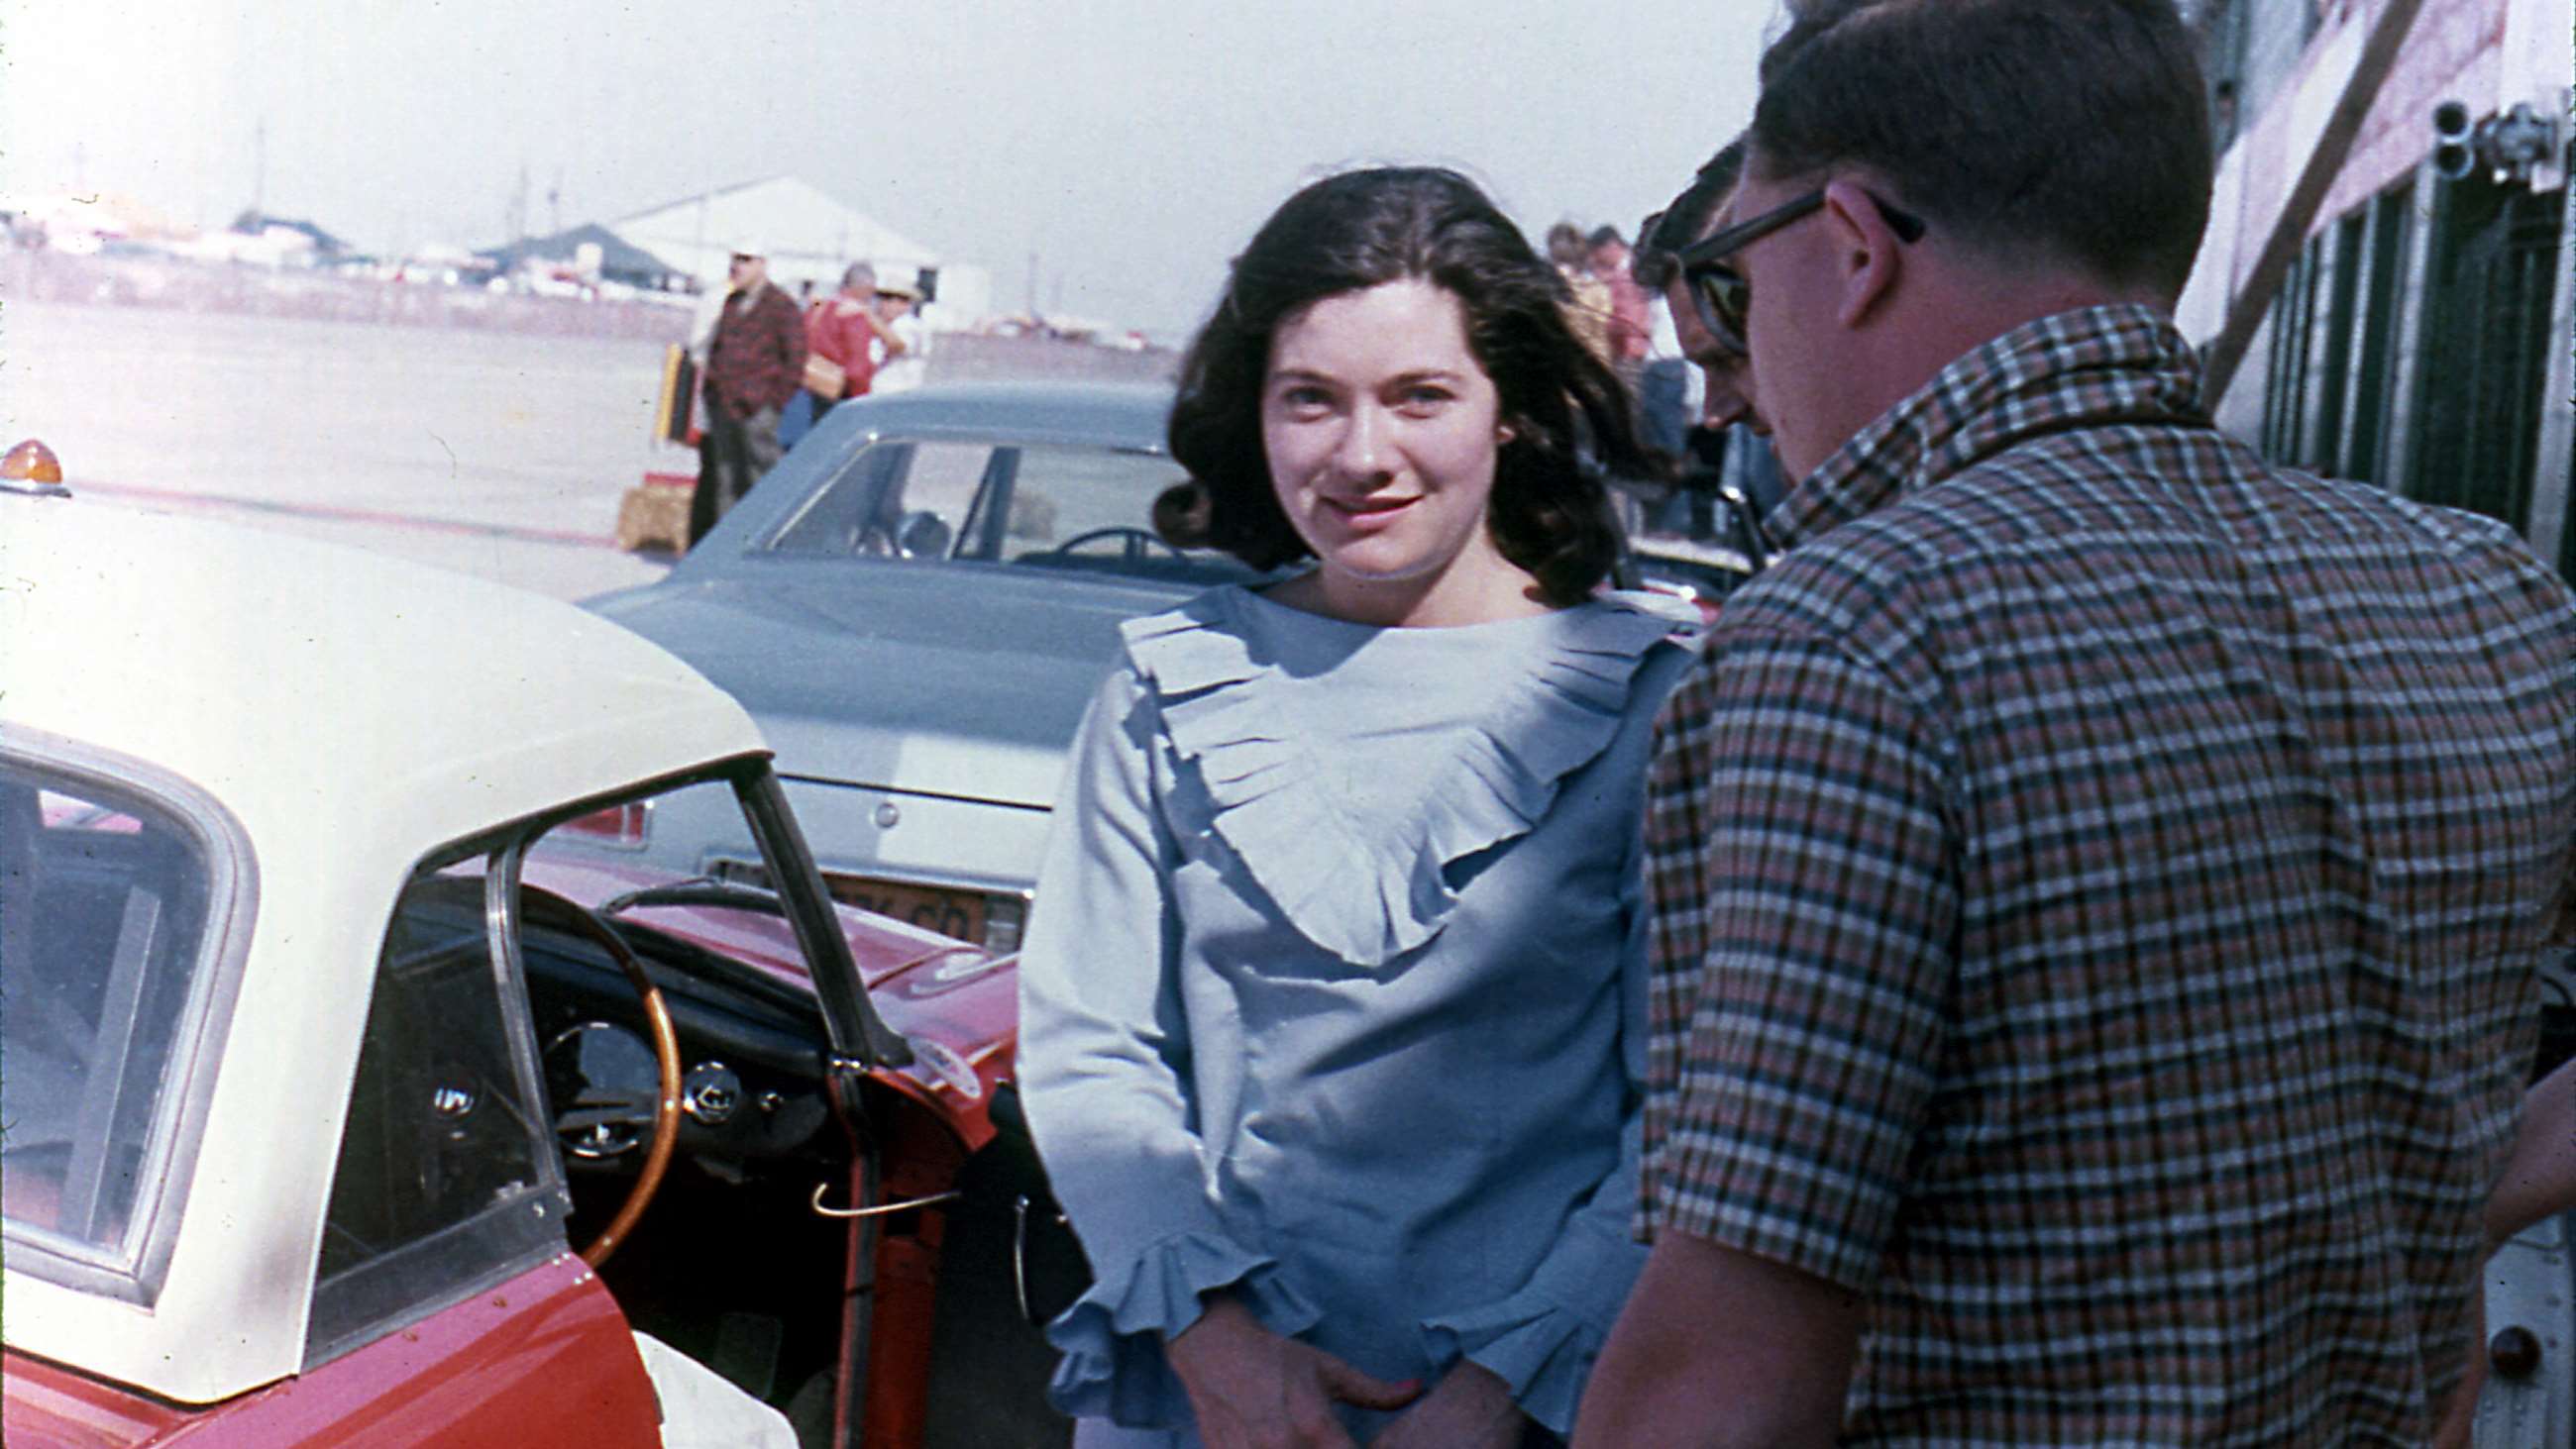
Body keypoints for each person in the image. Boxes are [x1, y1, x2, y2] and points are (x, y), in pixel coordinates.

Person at [1576, 0, 2576, 1443]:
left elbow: (1732, 1366)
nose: (1734, 375)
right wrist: (2452, 1191)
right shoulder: (2489, 593)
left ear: (1850, 245)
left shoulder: (1857, 635)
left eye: (1734, 279)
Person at [1017, 165, 1697, 1449]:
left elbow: (1685, 1119)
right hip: (1203, 1409)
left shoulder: (1657, 704)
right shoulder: (1166, 683)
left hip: (1546, 1404)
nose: (1360, 454)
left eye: (1419, 396)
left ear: (1509, 410)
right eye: (1310, 400)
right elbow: (1089, 1048)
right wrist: (1215, 1347)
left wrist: (1497, 1395)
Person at [690, 239, 805, 547]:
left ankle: (768, 545)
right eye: (734, 259)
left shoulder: (781, 306)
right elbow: (717, 347)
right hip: (724, 406)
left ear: (762, 264)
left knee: (763, 479)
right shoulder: (731, 302)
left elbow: (796, 359)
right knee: (725, 480)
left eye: (745, 259)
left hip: (758, 410)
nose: (736, 266)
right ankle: (727, 547)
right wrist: (714, 389)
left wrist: (772, 403)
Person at [804, 260, 892, 415]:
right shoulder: (853, 314)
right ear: (865, 288)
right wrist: (862, 397)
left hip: (808, 385)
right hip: (839, 391)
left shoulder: (818, 309)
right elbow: (856, 368)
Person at [871, 278, 927, 393]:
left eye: (901, 300)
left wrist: (867, 316)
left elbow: (897, 346)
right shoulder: (883, 325)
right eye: (885, 298)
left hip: (897, 392)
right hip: (878, 392)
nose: (887, 304)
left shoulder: (908, 324)